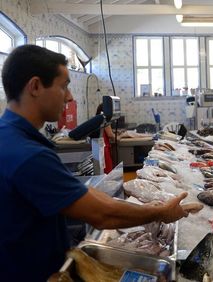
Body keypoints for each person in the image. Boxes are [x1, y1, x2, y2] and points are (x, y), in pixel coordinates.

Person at [0, 45, 189, 281]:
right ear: (36, 86)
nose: (69, 96)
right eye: (64, 85)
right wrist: (160, 212)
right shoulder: (27, 154)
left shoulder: (10, 136)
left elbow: (82, 192)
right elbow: (103, 216)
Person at [90, 103, 115, 173]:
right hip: (103, 148)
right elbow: (110, 135)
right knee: (107, 171)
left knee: (101, 170)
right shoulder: (104, 119)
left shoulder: (97, 118)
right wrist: (117, 137)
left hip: (98, 147)